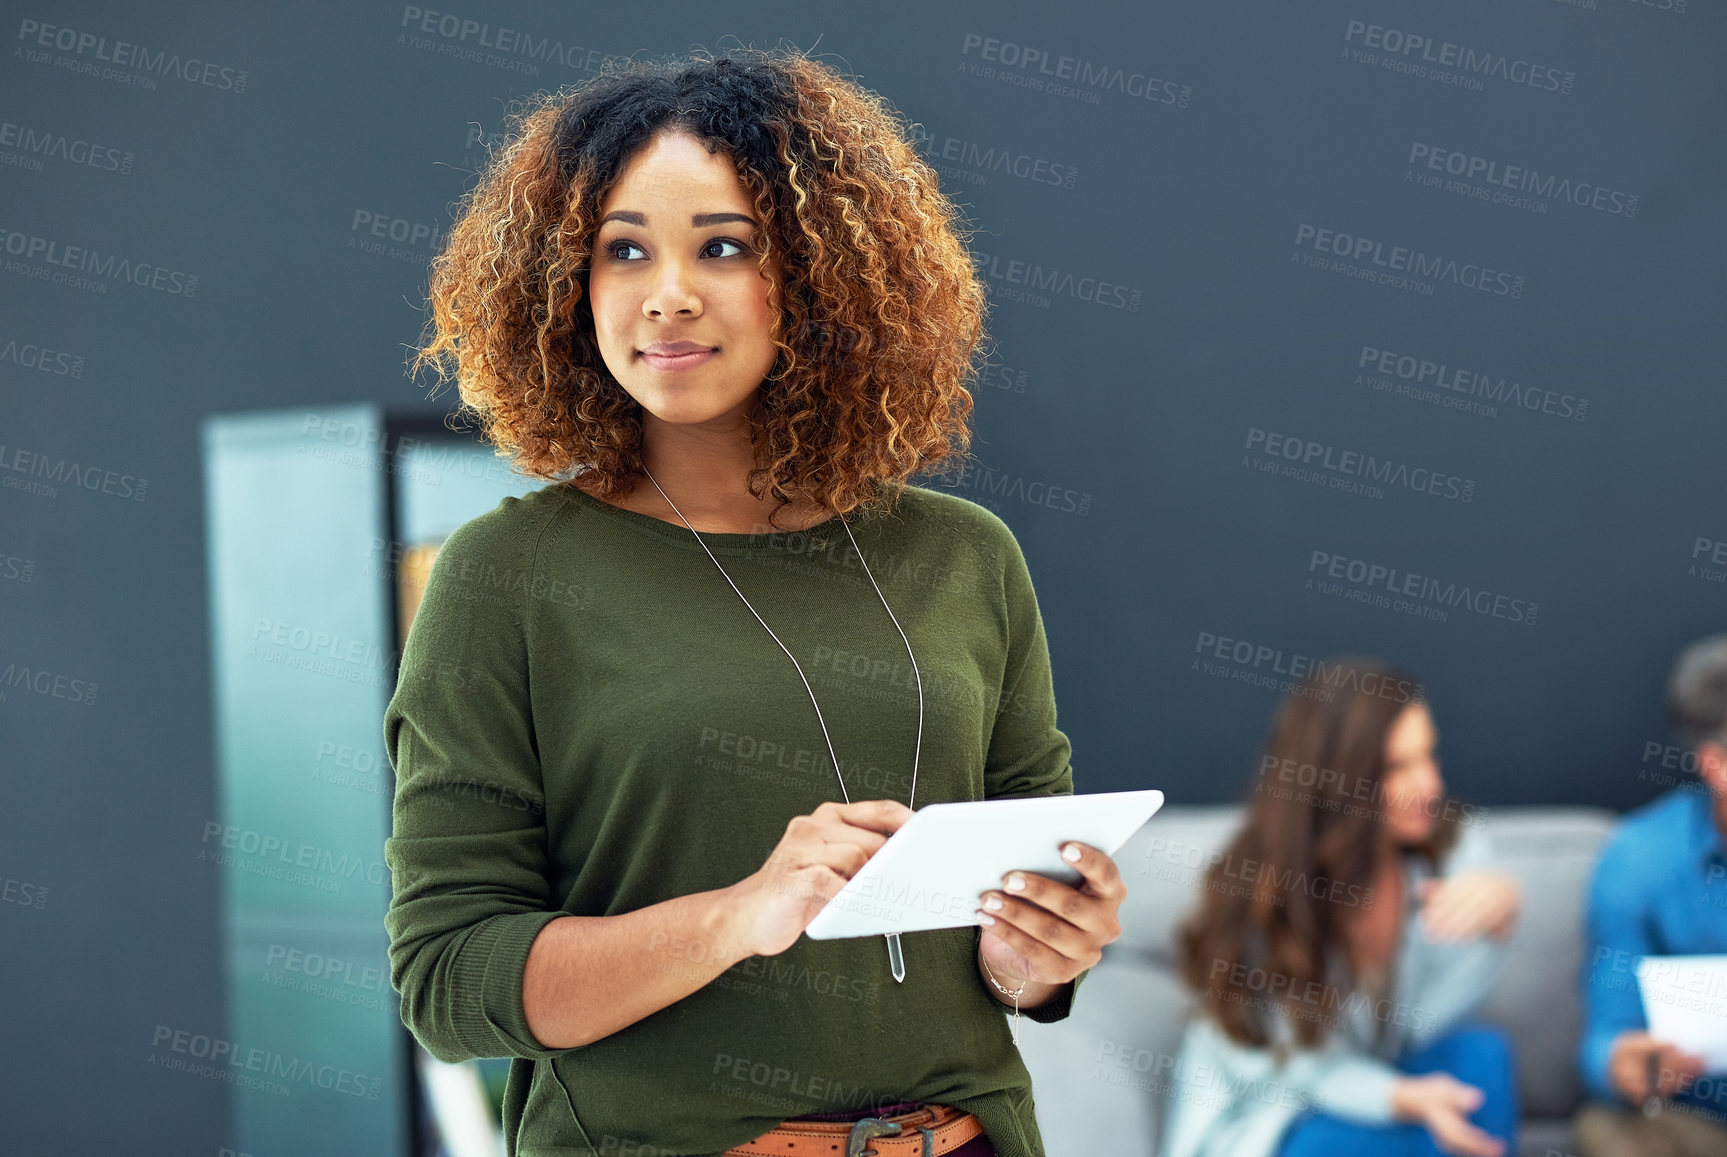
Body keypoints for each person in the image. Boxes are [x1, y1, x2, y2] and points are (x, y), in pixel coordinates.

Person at [383, 46, 1126, 1157]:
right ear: (565, 287)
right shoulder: (504, 577)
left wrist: (1040, 956)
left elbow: (1015, 922)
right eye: (621, 249)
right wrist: (735, 916)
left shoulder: (966, 556)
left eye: (721, 247)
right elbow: (449, 980)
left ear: (828, 281)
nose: (665, 292)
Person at [1159, 658, 1522, 1157]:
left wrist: (1500, 911)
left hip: (1381, 1078)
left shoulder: (1446, 855)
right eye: (1398, 768)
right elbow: (1295, 1070)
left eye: (1429, 757)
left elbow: (1417, 1029)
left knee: (1482, 1058)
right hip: (1284, 1106)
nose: (1431, 785)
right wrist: (1398, 1098)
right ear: (1338, 780)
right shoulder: (1260, 891)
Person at [1572, 632, 1727, 1156]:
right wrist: (1625, 1064)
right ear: (1716, 766)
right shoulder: (1640, 860)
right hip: (1701, 1120)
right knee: (1608, 1131)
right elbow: (1607, 1037)